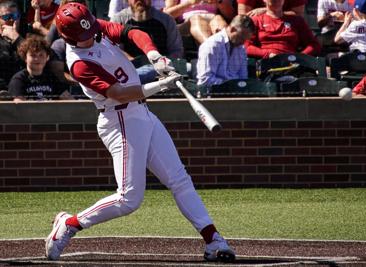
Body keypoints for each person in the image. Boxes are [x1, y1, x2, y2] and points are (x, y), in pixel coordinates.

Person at [45, 2, 236, 263]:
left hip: (141, 113)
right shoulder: (79, 63)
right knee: (129, 199)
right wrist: (160, 85)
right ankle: (70, 224)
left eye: (91, 30)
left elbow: (131, 33)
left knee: (179, 178)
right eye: (84, 36)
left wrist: (154, 55)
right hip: (119, 119)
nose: (91, 36)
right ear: (68, 37)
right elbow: (118, 93)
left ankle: (214, 239)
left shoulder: (91, 27)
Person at [111, 0, 183, 83]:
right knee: (146, 71)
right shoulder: (118, 19)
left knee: (191, 69)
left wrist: (165, 64)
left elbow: (176, 50)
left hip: (163, 67)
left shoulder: (166, 20)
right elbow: (114, 50)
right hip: (130, 68)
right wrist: (134, 61)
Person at [245, 0, 321, 59]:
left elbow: (314, 45)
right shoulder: (256, 20)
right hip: (266, 64)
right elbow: (246, 47)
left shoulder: (296, 20)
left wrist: (300, 57)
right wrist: (268, 54)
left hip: (292, 64)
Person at [8, 35, 73, 101]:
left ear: (47, 57)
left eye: (41, 55)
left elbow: (69, 100)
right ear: (25, 58)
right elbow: (19, 106)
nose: (37, 59)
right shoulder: (18, 79)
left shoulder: (52, 78)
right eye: (33, 55)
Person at [197, 14, 255, 87]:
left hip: (235, 93)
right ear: (232, 29)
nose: (243, 42)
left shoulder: (241, 48)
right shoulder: (212, 45)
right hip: (213, 94)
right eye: (242, 37)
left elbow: (243, 78)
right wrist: (231, 85)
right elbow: (205, 80)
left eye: (245, 39)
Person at [164, 0, 235, 44]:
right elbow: (166, 14)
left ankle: (227, 51)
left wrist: (219, 1)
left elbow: (230, 15)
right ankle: (211, 48)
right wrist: (189, 3)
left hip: (212, 18)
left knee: (218, 19)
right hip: (188, 21)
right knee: (197, 18)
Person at [0, 0, 25, 92]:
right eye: (6, 17)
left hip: (25, 91)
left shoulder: (26, 36)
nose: (11, 20)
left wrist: (16, 38)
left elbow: (37, 56)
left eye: (15, 16)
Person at [237, 0, 308, 18]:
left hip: (288, 29)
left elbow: (299, 15)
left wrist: (268, 11)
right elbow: (243, 17)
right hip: (257, 30)